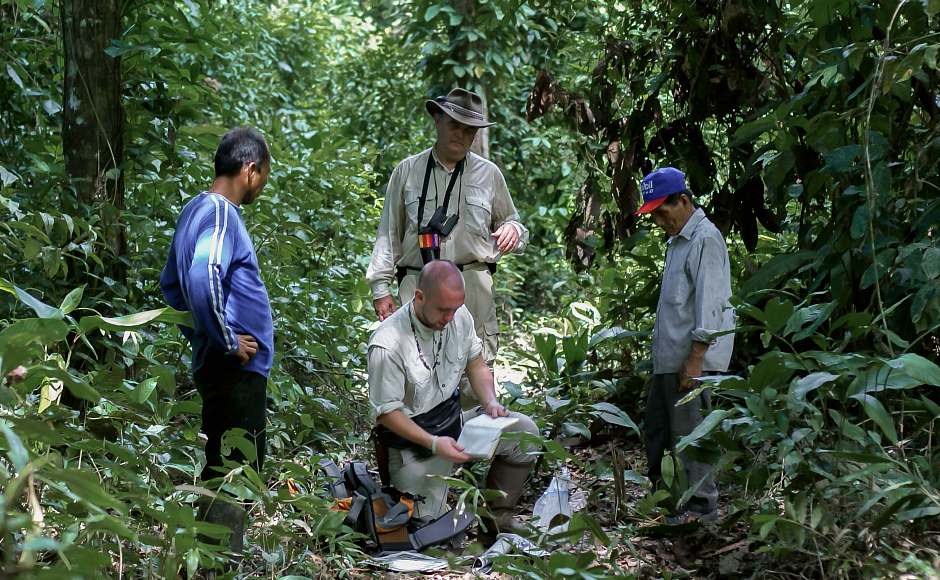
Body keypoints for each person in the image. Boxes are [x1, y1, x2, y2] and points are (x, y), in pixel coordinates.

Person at [366, 88, 528, 406]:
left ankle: (468, 451)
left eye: (469, 130)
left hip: (473, 287)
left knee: (475, 372)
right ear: (437, 119)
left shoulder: (488, 174)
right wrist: (379, 288)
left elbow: (514, 223)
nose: (460, 134)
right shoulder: (407, 172)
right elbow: (389, 233)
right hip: (419, 284)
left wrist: (513, 230)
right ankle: (421, 449)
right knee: (416, 371)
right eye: (454, 124)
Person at [161, 128, 274, 554]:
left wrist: (205, 337)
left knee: (221, 464)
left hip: (219, 363)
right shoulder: (222, 213)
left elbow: (171, 288)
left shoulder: (193, 211)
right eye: (264, 174)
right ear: (249, 170)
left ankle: (207, 559)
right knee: (237, 469)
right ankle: (222, 562)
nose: (262, 183)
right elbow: (201, 276)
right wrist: (226, 340)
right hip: (234, 368)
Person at [368, 260, 537, 544]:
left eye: (455, 309)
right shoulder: (387, 343)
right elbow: (387, 413)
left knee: (525, 433)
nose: (449, 317)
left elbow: (477, 365)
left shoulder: (459, 317)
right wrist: (434, 444)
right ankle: (438, 516)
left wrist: (491, 402)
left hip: (455, 426)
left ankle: (499, 519)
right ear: (419, 296)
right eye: (443, 309)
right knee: (435, 540)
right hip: (414, 446)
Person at [634, 167, 735, 522]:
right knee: (659, 434)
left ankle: (701, 514)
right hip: (670, 358)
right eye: (654, 215)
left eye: (664, 212)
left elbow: (712, 302)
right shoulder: (677, 242)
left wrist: (696, 358)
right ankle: (668, 508)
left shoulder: (705, 238)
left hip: (693, 361)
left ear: (684, 200)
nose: (660, 221)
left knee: (691, 440)